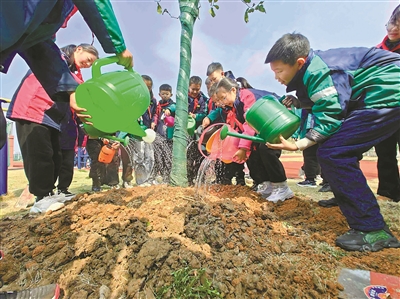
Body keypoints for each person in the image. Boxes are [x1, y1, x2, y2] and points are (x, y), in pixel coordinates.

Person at [264, 32, 400, 252]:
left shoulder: (319, 70)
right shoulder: (313, 67)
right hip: (379, 89)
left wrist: (298, 145)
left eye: (279, 71)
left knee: (334, 152)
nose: (277, 77)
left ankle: (372, 229)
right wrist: (300, 102)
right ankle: (345, 195)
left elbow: (331, 114)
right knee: (341, 146)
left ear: (299, 63)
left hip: (387, 90)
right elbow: (331, 95)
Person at [0, 0, 134, 148]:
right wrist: (117, 45)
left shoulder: (42, 21)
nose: (64, 24)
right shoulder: (64, 58)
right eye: (88, 59)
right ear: (79, 50)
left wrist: (71, 90)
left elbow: (38, 45)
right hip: (36, 115)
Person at [7, 44, 99, 210]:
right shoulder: (57, 59)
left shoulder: (72, 71)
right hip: (34, 110)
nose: (88, 64)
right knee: (40, 156)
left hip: (53, 118)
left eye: (91, 64)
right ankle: (41, 199)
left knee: (55, 157)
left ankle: (49, 194)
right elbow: (69, 84)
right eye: (89, 59)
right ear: (79, 49)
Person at [150, 84, 176, 183]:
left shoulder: (172, 104)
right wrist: (153, 122)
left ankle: (167, 177)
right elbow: (156, 115)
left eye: (167, 94)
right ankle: (156, 176)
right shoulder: (159, 105)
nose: (165, 95)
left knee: (168, 157)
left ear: (171, 94)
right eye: (163, 93)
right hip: (159, 133)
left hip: (169, 136)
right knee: (158, 156)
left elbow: (175, 107)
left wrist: (169, 110)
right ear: (159, 94)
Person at [186, 76, 208, 185]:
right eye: (193, 89)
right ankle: (189, 178)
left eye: (197, 89)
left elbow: (204, 113)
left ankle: (199, 178)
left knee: (200, 154)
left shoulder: (203, 99)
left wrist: (196, 116)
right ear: (188, 86)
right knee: (189, 155)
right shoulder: (184, 98)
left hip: (199, 132)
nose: (195, 91)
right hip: (188, 131)